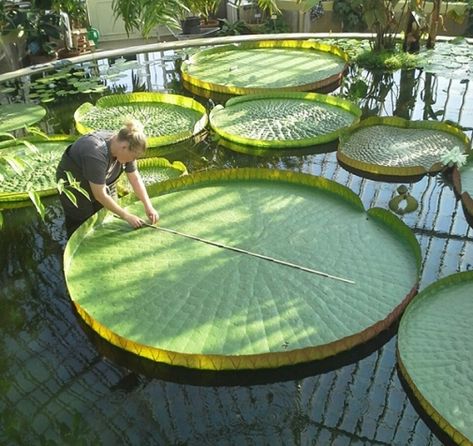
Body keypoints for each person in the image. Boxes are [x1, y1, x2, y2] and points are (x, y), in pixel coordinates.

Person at [56, 118, 159, 237]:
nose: (132, 160)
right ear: (124, 147)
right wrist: (126, 216)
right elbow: (100, 195)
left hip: (106, 180)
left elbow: (135, 178)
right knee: (82, 225)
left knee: (109, 216)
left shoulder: (128, 146)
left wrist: (148, 206)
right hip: (76, 187)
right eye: (132, 157)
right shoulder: (95, 152)